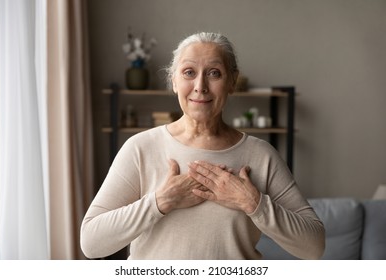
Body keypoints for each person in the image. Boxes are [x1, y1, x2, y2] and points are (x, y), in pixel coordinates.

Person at [80, 32, 325, 260]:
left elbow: (314, 246)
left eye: (214, 73)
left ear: (232, 81)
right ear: (174, 81)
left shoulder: (261, 155)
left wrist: (253, 203)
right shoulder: (140, 148)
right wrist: (160, 202)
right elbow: (91, 243)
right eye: (188, 72)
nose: (200, 86)